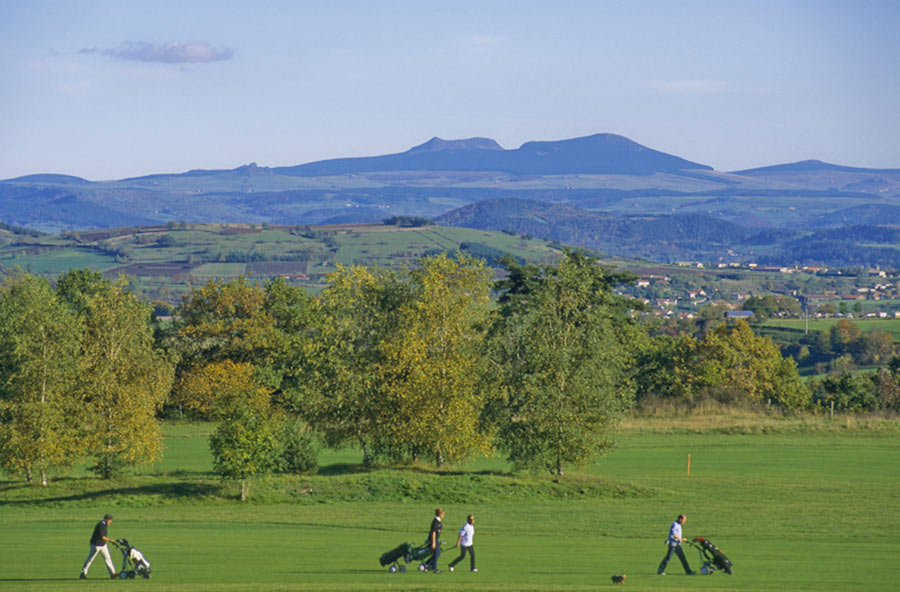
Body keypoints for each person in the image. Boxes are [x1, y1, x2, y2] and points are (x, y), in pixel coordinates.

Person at [80, 513, 118, 579]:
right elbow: (102, 537)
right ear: (106, 519)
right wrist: (110, 540)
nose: (110, 522)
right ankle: (83, 573)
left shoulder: (104, 524)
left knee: (108, 559)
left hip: (103, 545)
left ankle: (113, 574)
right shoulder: (101, 525)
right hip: (96, 545)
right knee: (90, 559)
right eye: (110, 520)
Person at [426, 507, 444, 573]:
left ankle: (427, 564)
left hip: (436, 539)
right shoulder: (435, 522)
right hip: (434, 539)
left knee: (438, 553)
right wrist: (433, 543)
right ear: (439, 514)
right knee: (436, 553)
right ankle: (434, 568)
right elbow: (433, 532)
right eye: (442, 514)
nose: (443, 515)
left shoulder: (439, 521)